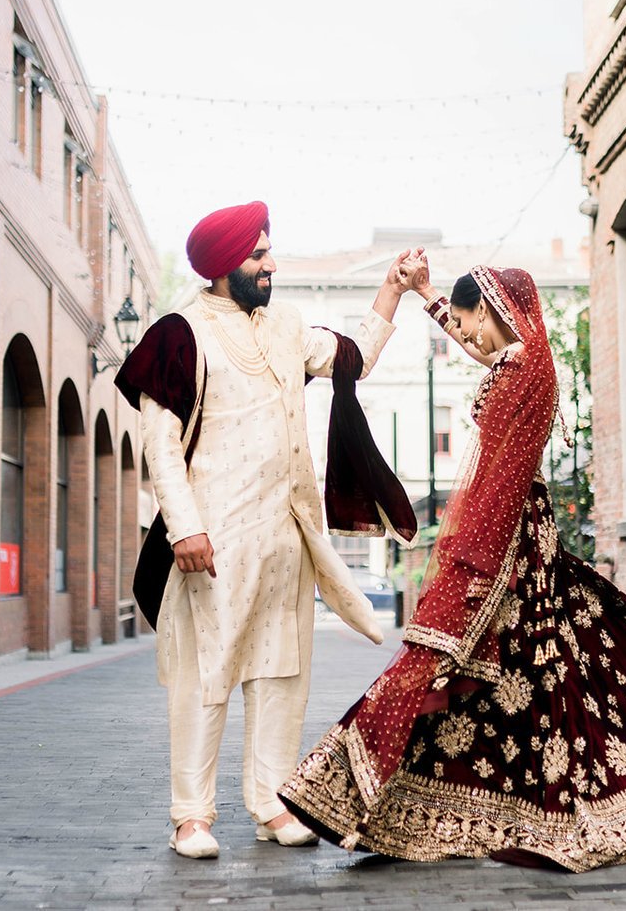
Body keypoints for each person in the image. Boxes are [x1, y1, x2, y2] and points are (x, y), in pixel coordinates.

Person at [278, 263, 626, 872]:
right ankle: (478, 796)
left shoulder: (521, 371)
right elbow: (481, 350)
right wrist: (427, 297)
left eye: (472, 322)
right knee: (574, 655)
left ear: (495, 312)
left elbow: (498, 473)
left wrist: (467, 562)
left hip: (504, 540)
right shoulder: (521, 363)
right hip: (525, 536)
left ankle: (350, 790)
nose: (466, 336)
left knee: (454, 659)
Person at [117, 201, 420, 860]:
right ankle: (190, 817)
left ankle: (271, 804)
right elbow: (161, 446)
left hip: (287, 539)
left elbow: (355, 359)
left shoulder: (285, 325)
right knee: (207, 675)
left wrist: (390, 291)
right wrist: (184, 527)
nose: (270, 264)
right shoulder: (179, 334)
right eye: (257, 255)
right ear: (225, 265)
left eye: (268, 251)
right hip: (214, 543)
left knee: (282, 674)